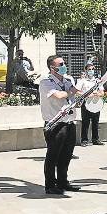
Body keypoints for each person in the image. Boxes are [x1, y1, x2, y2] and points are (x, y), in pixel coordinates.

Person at [39, 55, 81, 195]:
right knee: (53, 156)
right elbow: (58, 96)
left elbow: (75, 95)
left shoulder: (68, 80)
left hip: (69, 122)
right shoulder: (46, 82)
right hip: (55, 124)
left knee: (66, 155)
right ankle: (50, 185)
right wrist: (72, 91)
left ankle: (63, 182)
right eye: (61, 64)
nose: (64, 66)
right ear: (52, 67)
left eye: (64, 63)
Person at [76, 63, 104, 146]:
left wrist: (98, 94)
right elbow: (77, 91)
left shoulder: (97, 81)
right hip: (86, 103)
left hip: (96, 103)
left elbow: (102, 92)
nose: (91, 71)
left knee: (96, 122)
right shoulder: (82, 81)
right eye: (89, 69)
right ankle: (84, 140)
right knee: (85, 122)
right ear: (86, 71)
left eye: (92, 69)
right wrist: (86, 94)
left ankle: (95, 139)